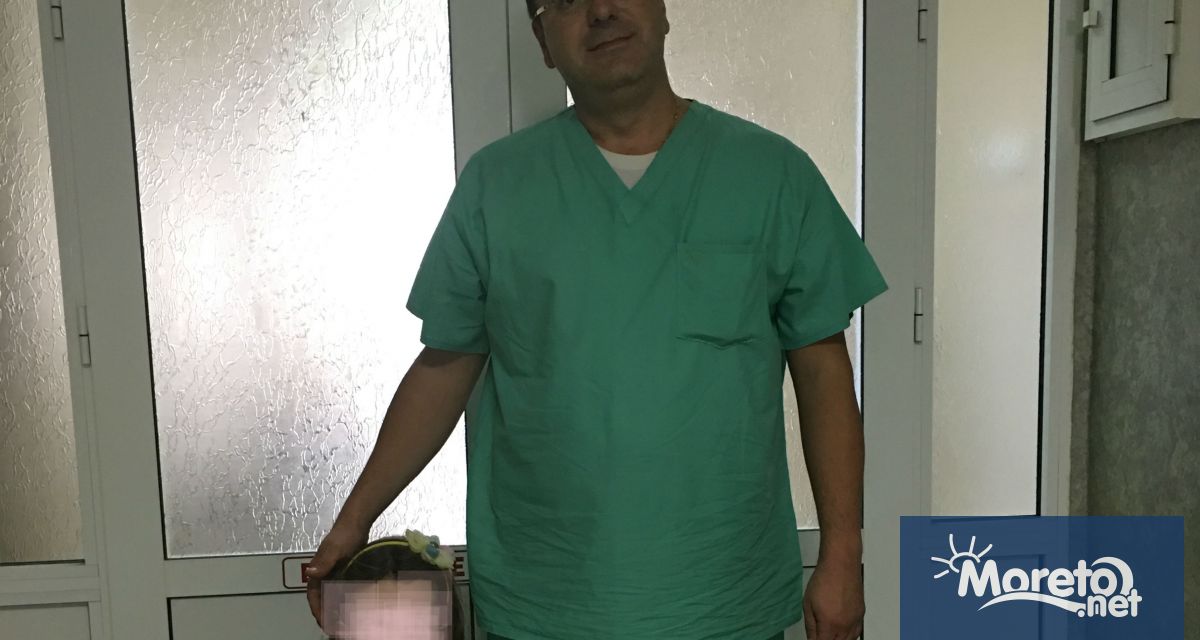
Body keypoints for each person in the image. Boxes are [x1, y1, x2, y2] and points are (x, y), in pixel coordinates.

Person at [307, 1, 887, 639]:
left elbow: (824, 370)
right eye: (568, 0)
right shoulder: (496, 186)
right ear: (542, 38)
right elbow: (444, 368)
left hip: (722, 601)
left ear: (662, 10)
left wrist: (843, 554)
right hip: (545, 604)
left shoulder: (772, 175)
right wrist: (354, 520)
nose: (602, 10)